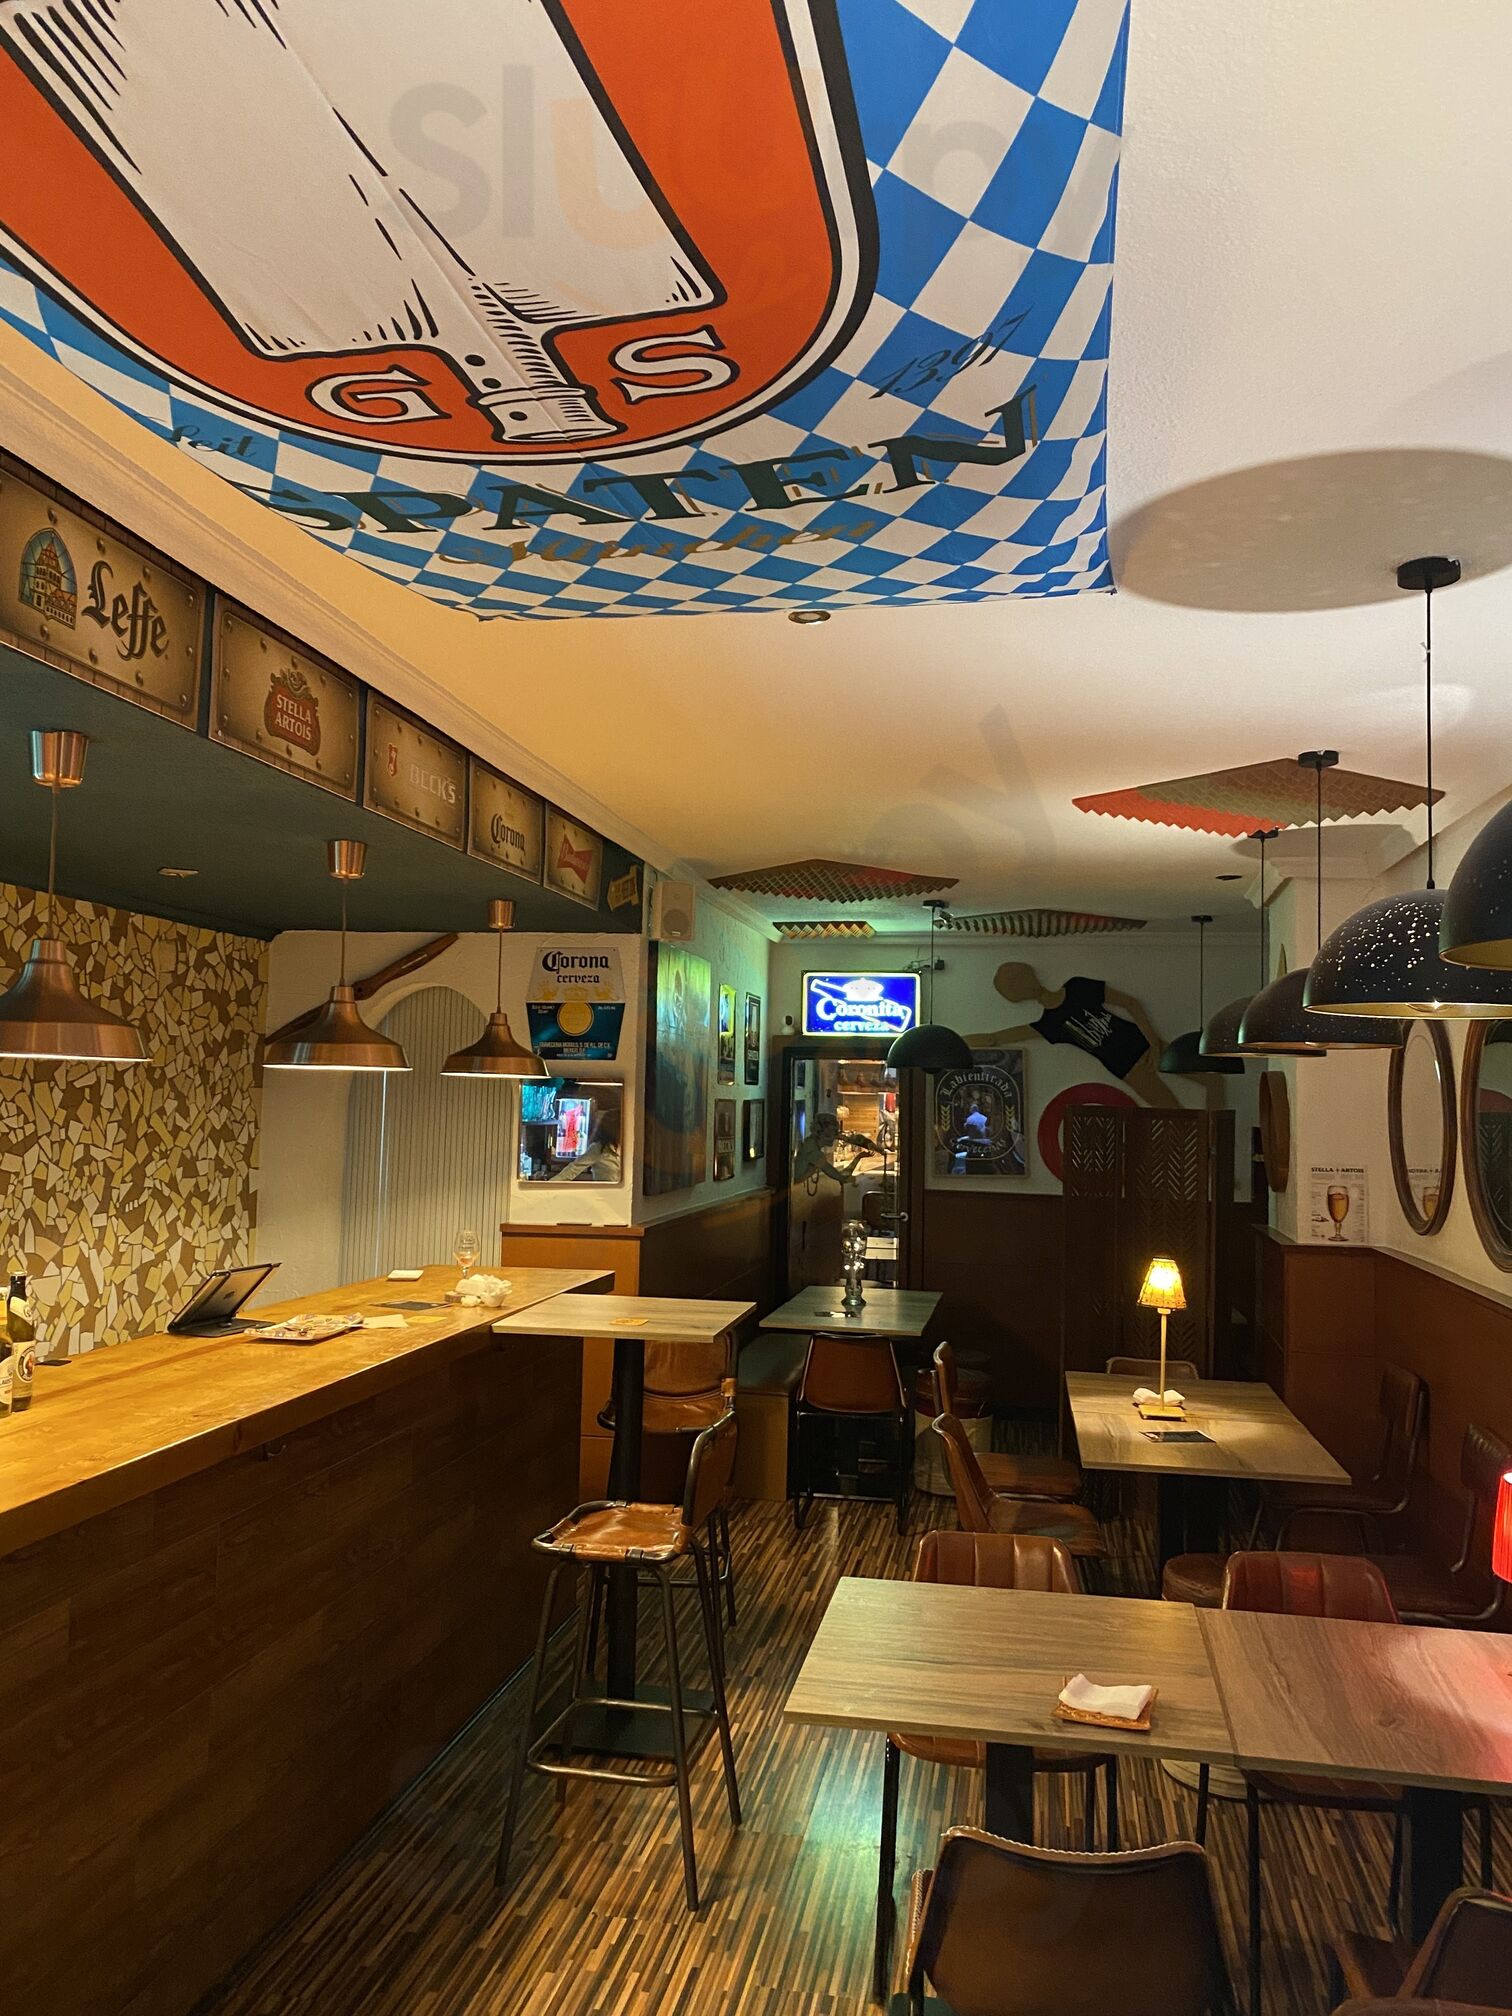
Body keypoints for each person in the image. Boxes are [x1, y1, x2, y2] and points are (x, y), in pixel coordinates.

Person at [975, 960, 1179, 1111]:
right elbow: (993, 1038)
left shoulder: (1076, 988)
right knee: (1174, 1114)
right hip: (1126, 1067)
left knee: (1193, 1080)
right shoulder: (1048, 1025)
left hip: (1138, 1047)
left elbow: (1130, 1003)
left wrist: (1153, 1043)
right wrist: (958, 1041)